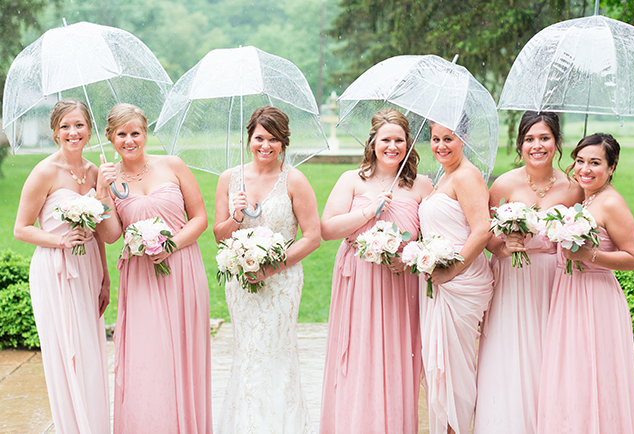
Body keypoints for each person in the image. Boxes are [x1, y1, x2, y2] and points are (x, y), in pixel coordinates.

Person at [96, 103, 212, 434]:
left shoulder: (172, 165)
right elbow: (111, 235)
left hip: (182, 270)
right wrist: (102, 193)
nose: (129, 140)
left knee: (180, 353)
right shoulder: (109, 178)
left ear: (145, 133)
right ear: (111, 137)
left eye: (136, 133)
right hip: (140, 277)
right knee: (147, 356)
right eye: (122, 134)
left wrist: (171, 244)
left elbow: (200, 217)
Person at [320, 108, 432, 434]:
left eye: (399, 140)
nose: (392, 146)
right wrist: (369, 211)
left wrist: (413, 254)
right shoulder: (352, 180)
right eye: (386, 139)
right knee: (359, 353)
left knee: (397, 355)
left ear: (408, 144)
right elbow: (328, 229)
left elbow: (438, 236)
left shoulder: (422, 186)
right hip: (360, 280)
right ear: (373, 143)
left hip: (401, 281)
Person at [213, 106, 320, 433]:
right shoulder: (229, 179)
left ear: (284, 142)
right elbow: (219, 235)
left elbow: (312, 237)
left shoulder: (295, 179)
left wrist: (272, 266)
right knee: (248, 352)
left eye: (274, 139)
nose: (266, 145)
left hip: (282, 283)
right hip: (242, 284)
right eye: (260, 137)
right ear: (249, 139)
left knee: (275, 352)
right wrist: (237, 216)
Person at [474, 111, 583, 434]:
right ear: (520, 144)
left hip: (553, 279)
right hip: (512, 278)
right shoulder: (504, 184)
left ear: (557, 142)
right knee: (508, 353)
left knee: (551, 351)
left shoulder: (573, 189)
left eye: (545, 138)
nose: (537, 146)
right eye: (530, 139)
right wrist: (505, 245)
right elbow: (488, 238)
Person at [14, 98, 110, 434]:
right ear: (55, 132)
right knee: (67, 351)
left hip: (88, 271)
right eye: (65, 126)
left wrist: (105, 281)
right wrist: (60, 241)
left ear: (89, 129)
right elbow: (21, 228)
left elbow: (100, 232)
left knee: (90, 352)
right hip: (55, 269)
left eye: (79, 125)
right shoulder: (44, 172)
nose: (73, 132)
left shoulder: (96, 171)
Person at [537, 133, 634, 434]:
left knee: (595, 373)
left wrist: (588, 254)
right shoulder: (585, 199)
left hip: (596, 299)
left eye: (595, 162)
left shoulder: (610, 203)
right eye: (580, 161)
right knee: (573, 374)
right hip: (569, 294)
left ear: (611, 167)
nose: (585, 168)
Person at [419, 121, 494, 434]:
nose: (440, 146)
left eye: (448, 138)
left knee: (455, 371)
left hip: (460, 283)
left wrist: (452, 269)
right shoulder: (444, 175)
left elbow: (482, 229)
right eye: (435, 139)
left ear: (463, 137)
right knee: (441, 369)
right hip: (441, 281)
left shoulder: (466, 175)